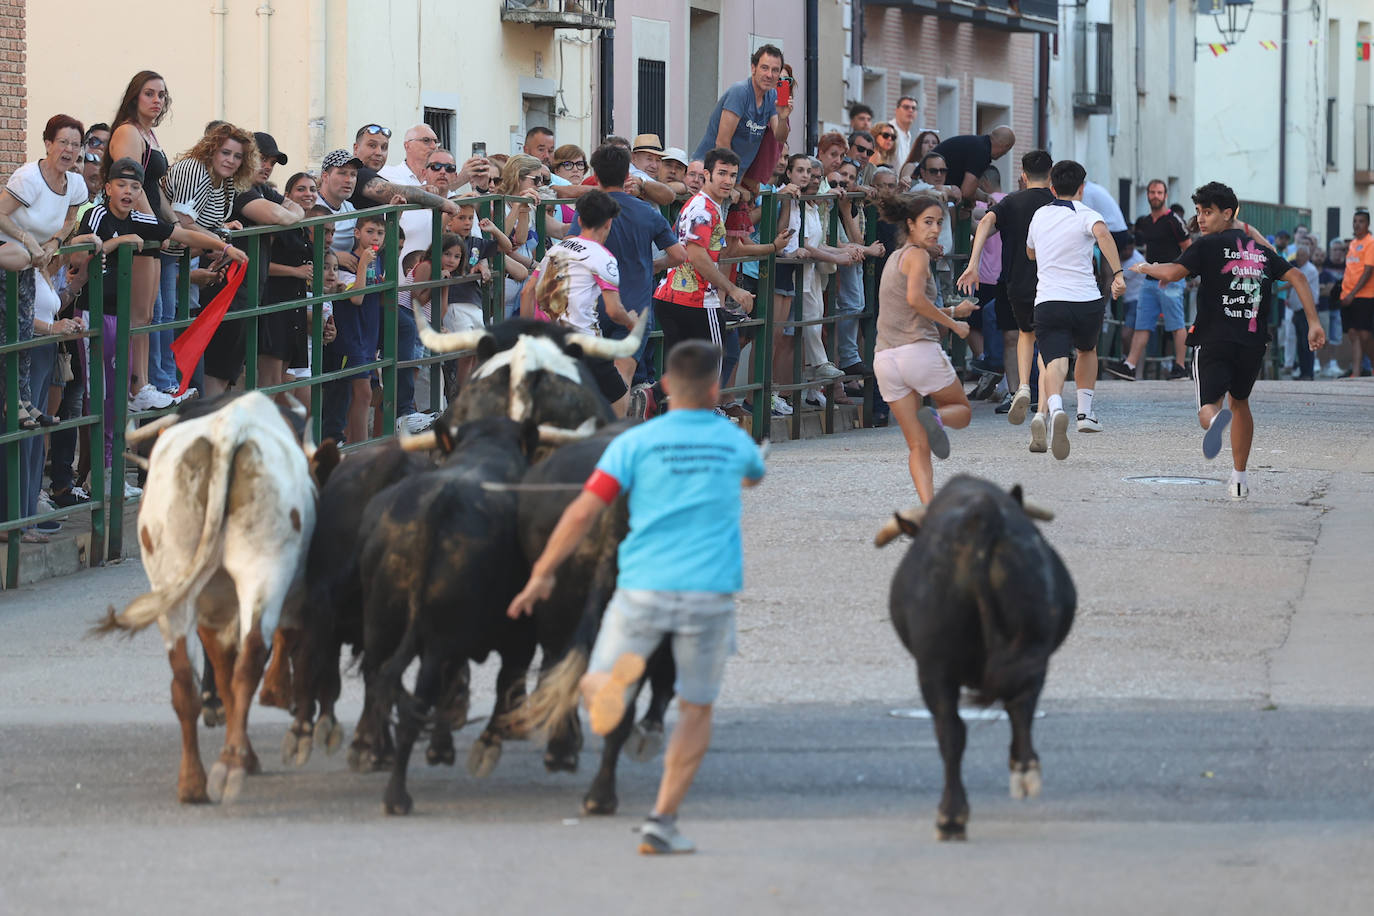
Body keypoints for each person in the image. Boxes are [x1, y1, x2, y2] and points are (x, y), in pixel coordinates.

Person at [507, 339, 766, 856]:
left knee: (599, 675)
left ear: (665, 386)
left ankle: (604, 689)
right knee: (695, 710)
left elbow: (582, 512)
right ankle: (662, 821)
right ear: (715, 388)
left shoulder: (631, 444)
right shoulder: (732, 440)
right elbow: (753, 475)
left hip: (640, 588)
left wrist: (541, 573)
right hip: (708, 593)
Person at [1132, 181, 1324, 498]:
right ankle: (1239, 479)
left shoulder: (1207, 246)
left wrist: (1145, 266)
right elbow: (1298, 278)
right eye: (1198, 212)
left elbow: (1171, 273)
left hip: (1212, 339)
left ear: (1228, 213)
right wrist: (1314, 323)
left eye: (1208, 212)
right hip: (1252, 343)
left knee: (1208, 409)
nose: (1202, 219)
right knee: (1241, 402)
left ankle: (1216, 421)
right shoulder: (1260, 252)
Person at [650, 148, 791, 412]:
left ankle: (653, 401)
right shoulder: (704, 209)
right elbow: (697, 255)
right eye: (722, 174)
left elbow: (726, 251)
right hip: (696, 303)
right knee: (709, 374)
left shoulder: (708, 206)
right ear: (707, 175)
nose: (728, 181)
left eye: (733, 175)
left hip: (673, 300)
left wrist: (771, 247)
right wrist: (733, 288)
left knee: (685, 371)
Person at [872, 193, 975, 503]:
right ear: (910, 224)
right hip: (918, 350)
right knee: (962, 411)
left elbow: (911, 305)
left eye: (939, 223)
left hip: (885, 360)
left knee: (918, 446)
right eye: (927, 222)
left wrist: (955, 312)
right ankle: (937, 420)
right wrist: (955, 326)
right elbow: (916, 300)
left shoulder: (894, 257)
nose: (935, 230)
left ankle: (929, 509)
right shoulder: (918, 256)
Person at [1024, 159, 1126, 460]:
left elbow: (1030, 252)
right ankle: (1084, 413)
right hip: (1086, 301)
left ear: (1052, 187)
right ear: (1081, 188)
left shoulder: (1040, 215)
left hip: (1049, 301)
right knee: (1086, 350)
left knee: (1054, 359)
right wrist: (1118, 274)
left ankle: (1054, 407)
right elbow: (1104, 235)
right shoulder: (1087, 213)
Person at [568, 144, 685, 397]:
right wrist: (656, 265)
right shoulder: (646, 212)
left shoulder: (588, 210)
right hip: (634, 309)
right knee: (622, 381)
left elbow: (571, 248)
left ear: (595, 176)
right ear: (627, 175)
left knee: (592, 383)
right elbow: (679, 255)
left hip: (593, 308)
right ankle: (623, 425)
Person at [0, 114, 89, 428]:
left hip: (32, 259)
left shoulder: (75, 183)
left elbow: (70, 220)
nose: (68, 149)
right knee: (12, 328)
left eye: (75, 144)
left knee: (23, 329)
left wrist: (53, 243)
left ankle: (24, 402)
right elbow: (1, 213)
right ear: (48, 143)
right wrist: (27, 241)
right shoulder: (29, 177)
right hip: (9, 250)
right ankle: (14, 402)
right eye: (62, 142)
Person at [957, 150, 1054, 434]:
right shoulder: (1058, 204)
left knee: (1014, 338)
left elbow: (986, 222)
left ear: (1023, 175)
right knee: (1046, 339)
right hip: (1051, 282)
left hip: (1013, 281)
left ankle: (1017, 390)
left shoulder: (1011, 201)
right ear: (1050, 175)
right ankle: (1045, 396)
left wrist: (973, 264)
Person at [161, 122, 260, 397]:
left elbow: (205, 225)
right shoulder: (195, 169)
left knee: (181, 352)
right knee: (164, 336)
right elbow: (183, 222)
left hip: (181, 261)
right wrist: (222, 245)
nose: (231, 160)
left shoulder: (227, 182)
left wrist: (221, 233)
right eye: (225, 153)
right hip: (161, 258)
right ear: (212, 150)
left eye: (237, 156)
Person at [522, 190, 634, 413]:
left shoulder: (557, 248)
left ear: (580, 220)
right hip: (584, 344)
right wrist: (632, 322)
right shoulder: (603, 257)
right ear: (609, 223)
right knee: (619, 404)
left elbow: (527, 291)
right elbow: (613, 310)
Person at [104, 71, 176, 411]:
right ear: (135, 97)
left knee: (150, 314)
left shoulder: (151, 134)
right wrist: (152, 227)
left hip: (151, 229)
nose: (157, 100)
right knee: (140, 313)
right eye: (149, 93)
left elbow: (155, 190)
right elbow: (131, 184)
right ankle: (137, 383)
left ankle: (144, 382)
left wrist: (172, 225)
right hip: (134, 230)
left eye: (161, 94)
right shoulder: (128, 132)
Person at [1109, 179, 1192, 380]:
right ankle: (1130, 365)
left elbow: (1189, 249)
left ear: (1165, 196)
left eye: (1159, 192)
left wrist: (1173, 273)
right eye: (1152, 192)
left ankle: (1180, 367)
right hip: (1149, 280)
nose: (1155, 195)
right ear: (1147, 194)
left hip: (1171, 280)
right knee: (1142, 324)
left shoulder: (1174, 220)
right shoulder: (1145, 222)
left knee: (1176, 324)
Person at [258, 172, 319, 399]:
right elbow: (260, 262)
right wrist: (295, 272)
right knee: (270, 378)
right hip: (274, 300)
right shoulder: (279, 223)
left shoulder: (304, 227)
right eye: (301, 189)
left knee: (283, 376)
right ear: (287, 196)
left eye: (312, 189)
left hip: (295, 302)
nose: (308, 194)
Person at [691, 44, 792, 176]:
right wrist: (730, 181)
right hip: (707, 173)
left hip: (731, 176)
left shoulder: (772, 95)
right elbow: (722, 142)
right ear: (753, 68)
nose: (769, 75)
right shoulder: (740, 92)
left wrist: (783, 118)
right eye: (764, 68)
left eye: (775, 70)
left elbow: (779, 137)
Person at [933, 127, 1015, 206]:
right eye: (1007, 150)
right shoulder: (981, 152)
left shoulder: (978, 144)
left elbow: (968, 187)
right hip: (932, 191)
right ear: (1005, 146)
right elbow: (966, 191)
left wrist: (986, 197)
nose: (1005, 154)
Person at [1338, 209, 1374, 369]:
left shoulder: (1370, 243)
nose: (1357, 224)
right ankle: (1356, 372)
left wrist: (1353, 294)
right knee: (1352, 334)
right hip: (1347, 295)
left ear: (1368, 224)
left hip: (1365, 295)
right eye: (1355, 221)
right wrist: (1344, 293)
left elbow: (1367, 271)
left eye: (1361, 221)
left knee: (1365, 335)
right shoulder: (1352, 244)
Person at [890, 96, 919, 168]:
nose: (910, 110)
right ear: (897, 110)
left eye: (913, 108)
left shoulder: (908, 134)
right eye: (906, 107)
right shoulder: (889, 131)